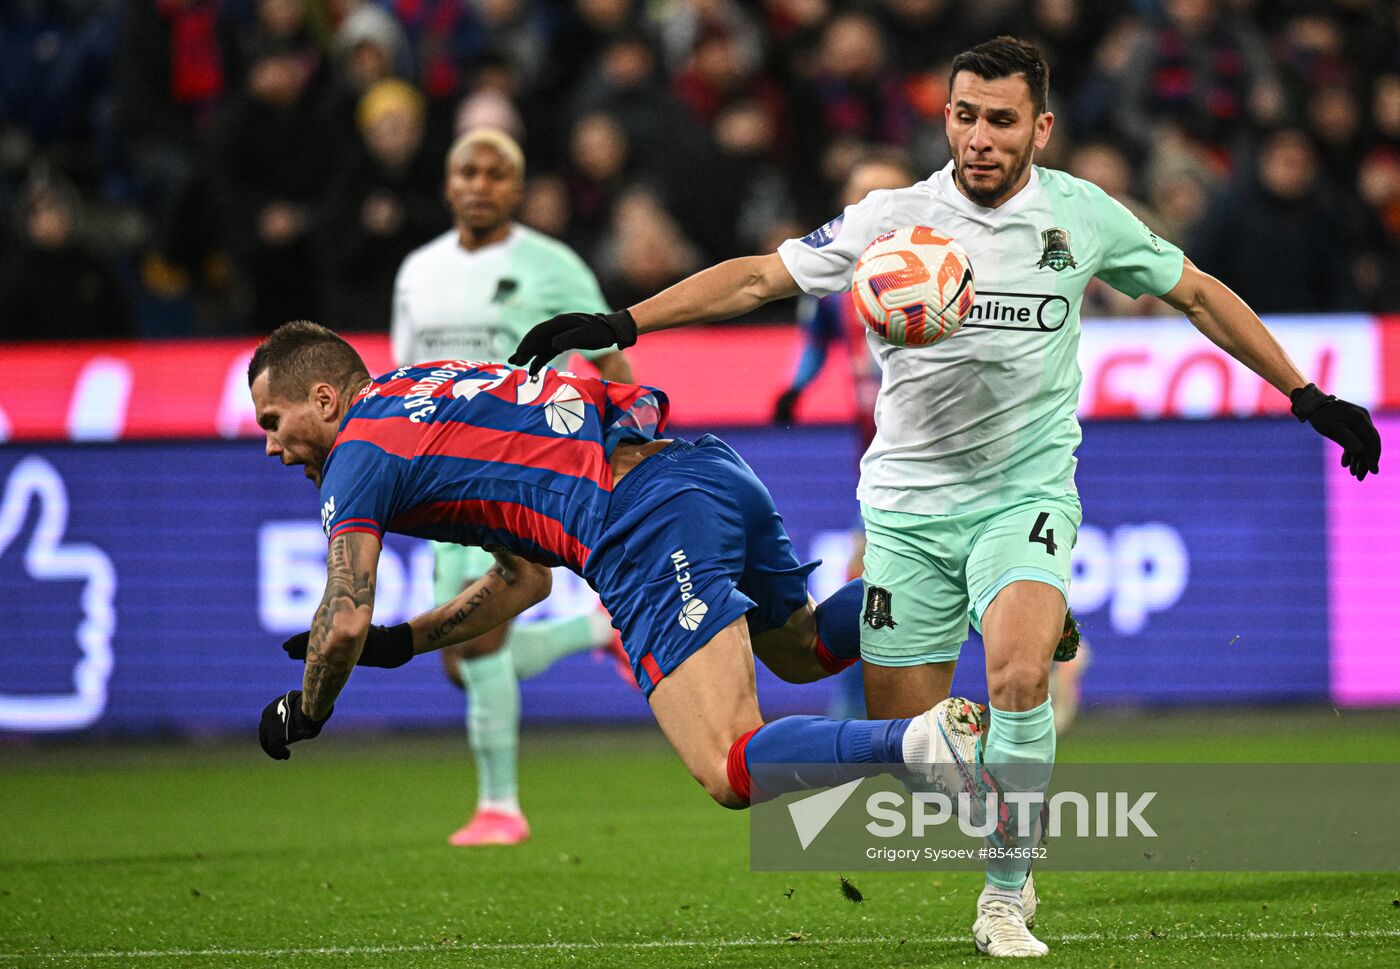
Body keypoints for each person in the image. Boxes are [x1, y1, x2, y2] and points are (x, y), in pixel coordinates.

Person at [511, 35, 1382, 958]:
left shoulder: (1083, 218)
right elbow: (764, 275)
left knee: (1016, 674)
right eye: (964, 116)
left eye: (1001, 120)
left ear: (1041, 127)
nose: (978, 138)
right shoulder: (892, 217)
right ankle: (997, 621)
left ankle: (1005, 896)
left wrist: (1305, 393)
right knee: (907, 740)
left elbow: (1198, 295)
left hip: (1025, 492)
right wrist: (624, 319)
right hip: (908, 512)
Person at [249, 321, 982, 833]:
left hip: (637, 522)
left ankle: (916, 744)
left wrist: (310, 708)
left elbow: (340, 618)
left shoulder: (356, 457)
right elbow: (525, 581)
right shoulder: (424, 392)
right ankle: (969, 580)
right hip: (705, 471)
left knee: (732, 767)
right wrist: (402, 642)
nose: (274, 447)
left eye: (273, 421)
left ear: (323, 399)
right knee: (805, 644)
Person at [390, 128, 634, 847]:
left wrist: (630, 442)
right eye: (468, 169)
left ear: (517, 189)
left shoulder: (553, 266)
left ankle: (501, 806)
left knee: (481, 640)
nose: (480, 183)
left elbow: (611, 358)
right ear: (447, 183)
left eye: (497, 173)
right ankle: (595, 631)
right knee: (458, 659)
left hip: (514, 467)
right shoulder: (417, 270)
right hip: (435, 474)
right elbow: (405, 376)